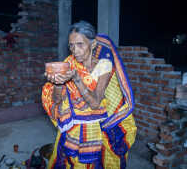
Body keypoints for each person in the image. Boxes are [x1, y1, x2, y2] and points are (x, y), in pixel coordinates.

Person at [42, 21, 137, 169]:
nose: (75, 50)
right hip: (73, 127)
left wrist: (77, 79)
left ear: (92, 45)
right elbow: (57, 101)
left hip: (97, 128)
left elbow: (95, 103)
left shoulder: (103, 65)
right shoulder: (69, 63)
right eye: (71, 45)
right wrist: (58, 84)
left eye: (80, 44)